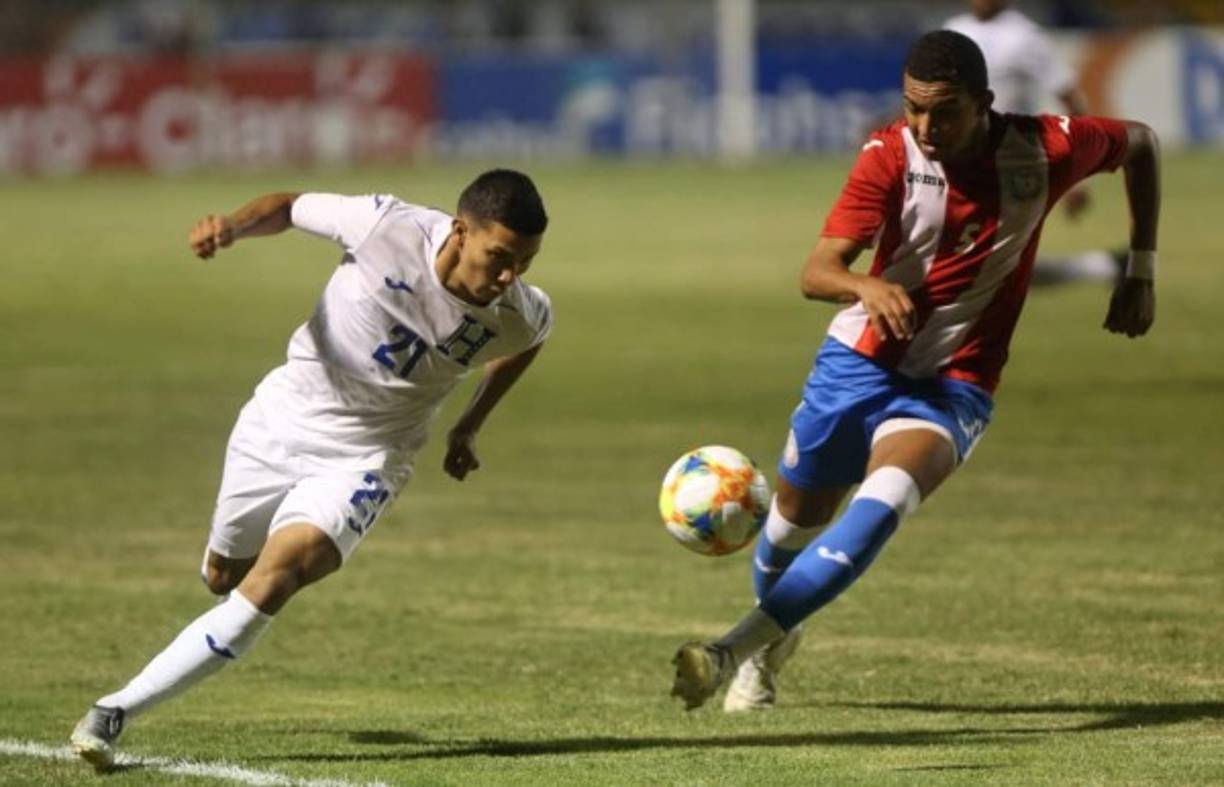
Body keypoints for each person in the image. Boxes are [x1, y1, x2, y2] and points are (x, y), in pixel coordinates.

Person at [670, 29, 1158, 712]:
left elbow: (1141, 144)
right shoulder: (887, 153)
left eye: (946, 110)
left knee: (882, 507)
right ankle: (776, 638)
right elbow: (818, 271)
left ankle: (731, 650)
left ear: (986, 102)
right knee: (785, 530)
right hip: (857, 364)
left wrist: (1141, 267)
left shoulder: (1047, 148)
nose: (926, 127)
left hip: (955, 383)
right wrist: (864, 287)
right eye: (913, 108)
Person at [70, 169, 553, 769]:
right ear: (460, 231)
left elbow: (528, 339)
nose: (509, 277)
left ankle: (115, 711)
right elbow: (291, 205)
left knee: (281, 575)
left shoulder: (518, 310)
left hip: (370, 457)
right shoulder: (386, 226)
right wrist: (234, 227)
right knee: (224, 578)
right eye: (500, 257)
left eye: (525, 262)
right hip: (280, 423)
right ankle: (220, 587)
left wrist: (469, 423)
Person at [946, 0, 1122, 285]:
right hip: (957, 162)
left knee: (981, 263)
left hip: (1009, 163)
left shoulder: (1025, 36)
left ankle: (1101, 267)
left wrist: (1078, 178)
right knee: (987, 263)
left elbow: (1072, 101)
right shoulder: (954, 31)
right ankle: (1104, 267)